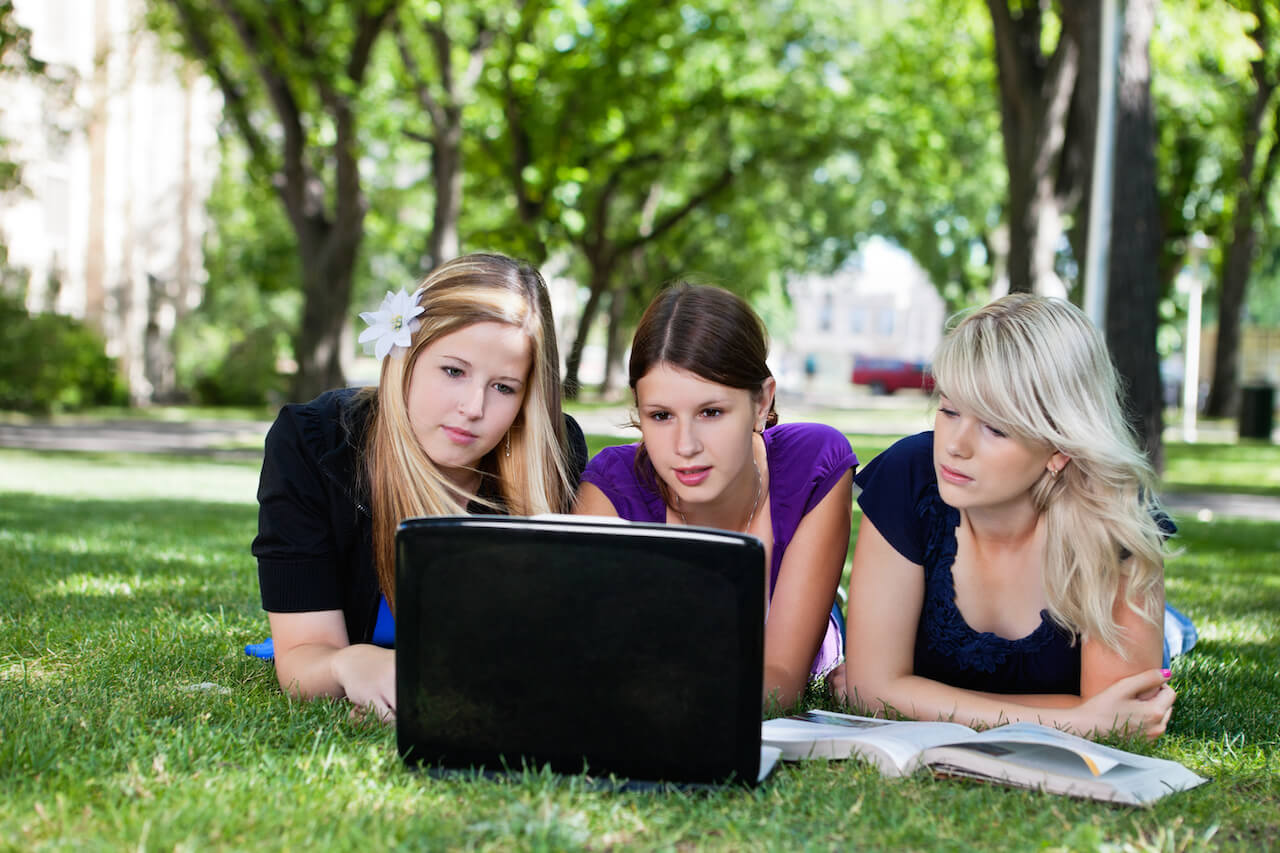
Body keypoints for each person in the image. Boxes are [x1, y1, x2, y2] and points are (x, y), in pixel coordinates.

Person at [252, 253, 587, 721]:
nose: (474, 407)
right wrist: (352, 664)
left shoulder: (549, 451)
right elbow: (303, 658)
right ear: (405, 356)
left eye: (504, 387)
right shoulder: (313, 443)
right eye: (454, 371)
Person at [834, 294, 1178, 740]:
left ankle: (1173, 626)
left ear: (1061, 448)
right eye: (949, 410)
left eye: (995, 427)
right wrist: (1073, 720)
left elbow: (1122, 714)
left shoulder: (1115, 515)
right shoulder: (911, 476)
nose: (956, 445)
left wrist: (913, 694)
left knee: (1170, 631)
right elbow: (870, 690)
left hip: (1142, 613)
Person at [574, 283, 856, 710]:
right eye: (661, 415)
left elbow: (782, 682)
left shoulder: (814, 465)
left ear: (762, 402)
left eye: (711, 412)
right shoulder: (612, 491)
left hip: (803, 632)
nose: (686, 445)